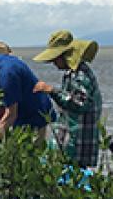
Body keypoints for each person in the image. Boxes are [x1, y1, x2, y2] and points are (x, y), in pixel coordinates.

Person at [32, 30, 103, 167]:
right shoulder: (72, 73)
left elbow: (80, 103)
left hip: (79, 142)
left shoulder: (81, 75)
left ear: (66, 56)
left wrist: (51, 90)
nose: (54, 63)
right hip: (73, 139)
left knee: (74, 178)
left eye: (55, 59)